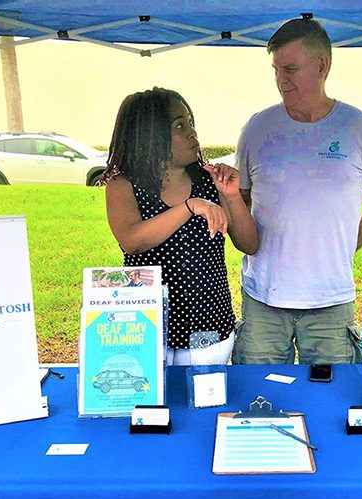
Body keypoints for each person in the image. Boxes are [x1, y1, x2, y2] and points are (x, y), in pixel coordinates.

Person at [232, 18, 362, 369]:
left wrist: (339, 249)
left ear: (322, 65)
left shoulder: (359, 127)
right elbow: (240, 202)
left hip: (330, 303)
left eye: (290, 69)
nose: (281, 80)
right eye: (276, 70)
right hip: (263, 300)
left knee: (333, 404)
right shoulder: (258, 128)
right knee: (257, 400)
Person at [103, 87, 259, 366]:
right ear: (149, 135)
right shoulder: (123, 184)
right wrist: (190, 206)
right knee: (155, 408)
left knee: (204, 406)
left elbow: (249, 243)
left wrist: (232, 195)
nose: (192, 133)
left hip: (209, 326)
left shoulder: (210, 180)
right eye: (179, 126)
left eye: (190, 123)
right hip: (147, 329)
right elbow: (131, 240)